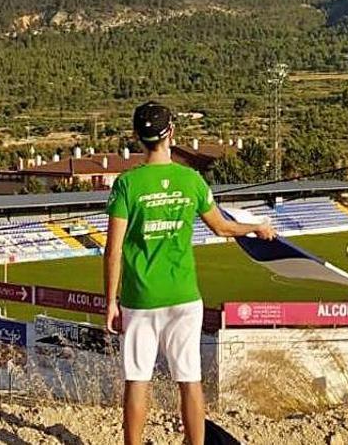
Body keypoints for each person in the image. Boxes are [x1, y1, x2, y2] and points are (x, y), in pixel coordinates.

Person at [103, 101, 276, 445]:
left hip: (141, 299)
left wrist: (111, 301)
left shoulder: (127, 184)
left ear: (138, 137)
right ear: (172, 134)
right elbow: (222, 228)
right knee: (189, 379)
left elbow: (114, 249)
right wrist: (257, 227)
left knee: (137, 380)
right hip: (184, 297)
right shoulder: (190, 180)